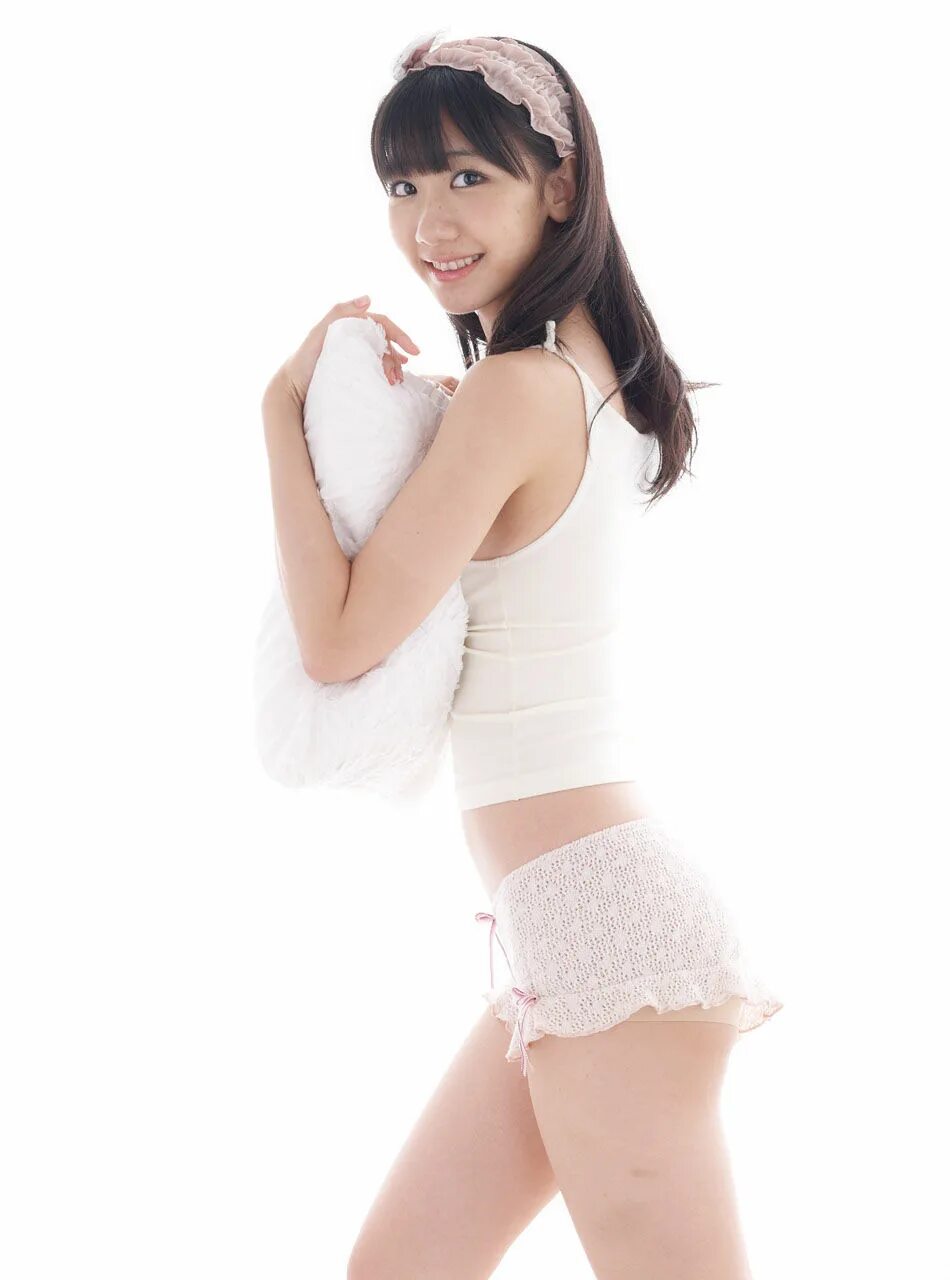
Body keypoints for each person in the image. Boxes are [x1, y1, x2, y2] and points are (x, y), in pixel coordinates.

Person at [263, 31, 784, 1280]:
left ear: (557, 185)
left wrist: (278, 411)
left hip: (602, 920)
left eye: (467, 177)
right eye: (403, 185)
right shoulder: (566, 375)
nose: (429, 223)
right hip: (571, 921)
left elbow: (337, 642)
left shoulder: (518, 387)